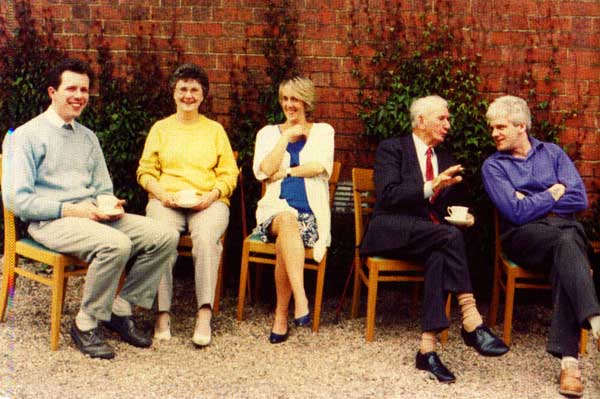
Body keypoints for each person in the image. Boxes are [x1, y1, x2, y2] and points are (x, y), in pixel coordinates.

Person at [1, 58, 179, 359]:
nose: (79, 96)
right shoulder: (26, 137)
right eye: (71, 88)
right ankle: (86, 323)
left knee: (164, 235)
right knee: (116, 244)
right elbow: (18, 201)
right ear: (52, 92)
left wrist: (109, 204)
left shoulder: (87, 137)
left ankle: (119, 308)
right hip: (50, 221)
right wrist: (74, 210)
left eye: (84, 90)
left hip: (93, 216)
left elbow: (102, 189)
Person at [360, 95, 508, 383]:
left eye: (448, 119)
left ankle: (427, 349)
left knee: (441, 250)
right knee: (446, 237)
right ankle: (471, 317)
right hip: (391, 230)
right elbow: (389, 195)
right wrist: (431, 185)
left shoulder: (447, 158)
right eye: (442, 118)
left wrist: (469, 217)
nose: (448, 125)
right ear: (420, 121)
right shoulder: (392, 149)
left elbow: (463, 202)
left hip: (431, 237)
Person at [482, 95, 600, 398]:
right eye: (492, 128)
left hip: (563, 234)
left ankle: (570, 365)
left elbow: (580, 200)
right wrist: (552, 194)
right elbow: (515, 213)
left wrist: (530, 200)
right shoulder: (493, 166)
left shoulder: (554, 154)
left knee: (566, 246)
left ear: (521, 126)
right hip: (525, 238)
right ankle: (596, 322)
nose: (494, 133)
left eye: (500, 127)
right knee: (568, 240)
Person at [136, 64, 238, 347]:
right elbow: (145, 171)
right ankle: (162, 313)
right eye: (183, 89)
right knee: (161, 238)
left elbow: (229, 173)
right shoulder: (160, 129)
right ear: (174, 93)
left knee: (206, 239)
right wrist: (160, 194)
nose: (188, 95)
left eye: (194, 90)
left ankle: (204, 312)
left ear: (203, 95)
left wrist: (213, 195)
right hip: (166, 200)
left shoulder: (215, 131)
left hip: (208, 201)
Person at [252, 76, 334, 344]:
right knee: (286, 219)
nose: (289, 104)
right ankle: (301, 299)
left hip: (310, 214)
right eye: (285, 98)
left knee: (286, 240)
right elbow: (263, 170)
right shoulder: (267, 133)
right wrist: (285, 137)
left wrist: (286, 171)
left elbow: (319, 166)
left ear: (306, 101)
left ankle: (281, 314)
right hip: (274, 210)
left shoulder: (323, 131)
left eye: (295, 99)